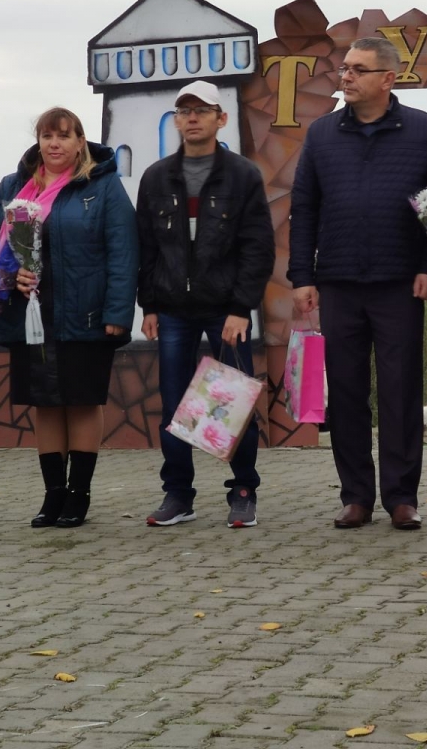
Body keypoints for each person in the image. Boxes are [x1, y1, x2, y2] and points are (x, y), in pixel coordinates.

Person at [289, 37, 427, 530]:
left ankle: (401, 497)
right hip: (338, 281)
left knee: (401, 391)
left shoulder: (424, 130)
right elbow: (304, 208)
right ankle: (356, 496)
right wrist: (302, 276)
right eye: (345, 68)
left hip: (400, 282)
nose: (346, 77)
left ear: (388, 78)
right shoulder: (321, 134)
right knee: (347, 391)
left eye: (358, 69)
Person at [0, 108, 137, 529]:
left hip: (86, 313)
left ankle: (78, 494)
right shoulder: (14, 186)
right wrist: (9, 273)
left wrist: (118, 312)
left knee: (81, 402)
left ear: (80, 142)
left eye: (64, 136)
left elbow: (123, 250)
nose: (54, 144)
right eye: (47, 136)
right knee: (45, 404)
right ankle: (53, 495)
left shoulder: (102, 186)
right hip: (29, 314)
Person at [136, 80, 275, 528]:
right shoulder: (156, 177)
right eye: (185, 111)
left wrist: (241, 308)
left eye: (202, 110)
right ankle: (178, 495)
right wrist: (148, 305)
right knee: (174, 406)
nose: (192, 117)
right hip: (172, 309)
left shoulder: (243, 175)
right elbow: (146, 247)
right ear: (176, 121)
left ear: (221, 118)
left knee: (235, 402)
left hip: (225, 309)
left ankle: (244, 490)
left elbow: (258, 248)